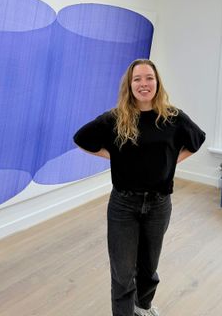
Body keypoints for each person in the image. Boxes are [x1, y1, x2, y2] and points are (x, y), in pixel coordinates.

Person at [73, 59, 205, 316]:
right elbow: (82, 138)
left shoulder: (173, 117)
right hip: (123, 205)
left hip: (159, 204)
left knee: (148, 266)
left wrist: (171, 161)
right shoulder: (115, 118)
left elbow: (196, 140)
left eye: (149, 78)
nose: (144, 84)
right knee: (123, 272)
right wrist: (115, 156)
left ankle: (142, 307)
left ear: (157, 82)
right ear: (129, 85)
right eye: (137, 79)